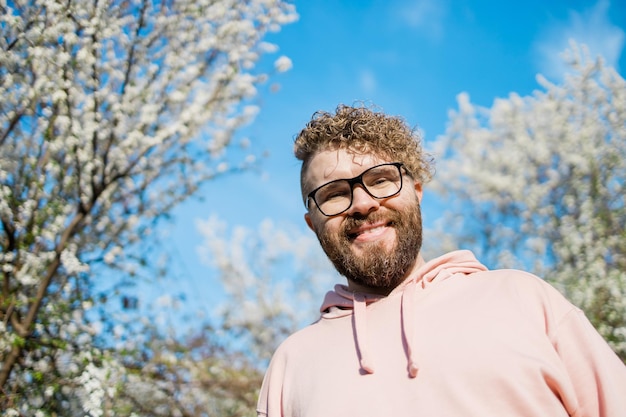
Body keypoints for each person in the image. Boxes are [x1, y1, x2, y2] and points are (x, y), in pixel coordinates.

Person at [256, 104, 626, 417]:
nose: (363, 203)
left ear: (416, 191)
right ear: (312, 222)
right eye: (334, 193)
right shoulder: (292, 364)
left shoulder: (524, 299)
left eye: (381, 180)